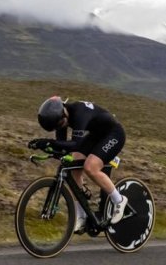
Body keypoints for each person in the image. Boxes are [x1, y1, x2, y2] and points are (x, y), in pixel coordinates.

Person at [28, 96, 127, 232]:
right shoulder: (61, 119)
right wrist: (44, 146)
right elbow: (63, 149)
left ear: (64, 112)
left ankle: (119, 200)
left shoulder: (79, 113)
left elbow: (75, 144)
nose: (60, 127)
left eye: (60, 124)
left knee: (90, 167)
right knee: (73, 168)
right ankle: (81, 216)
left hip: (114, 134)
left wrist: (49, 142)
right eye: (56, 127)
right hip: (96, 135)